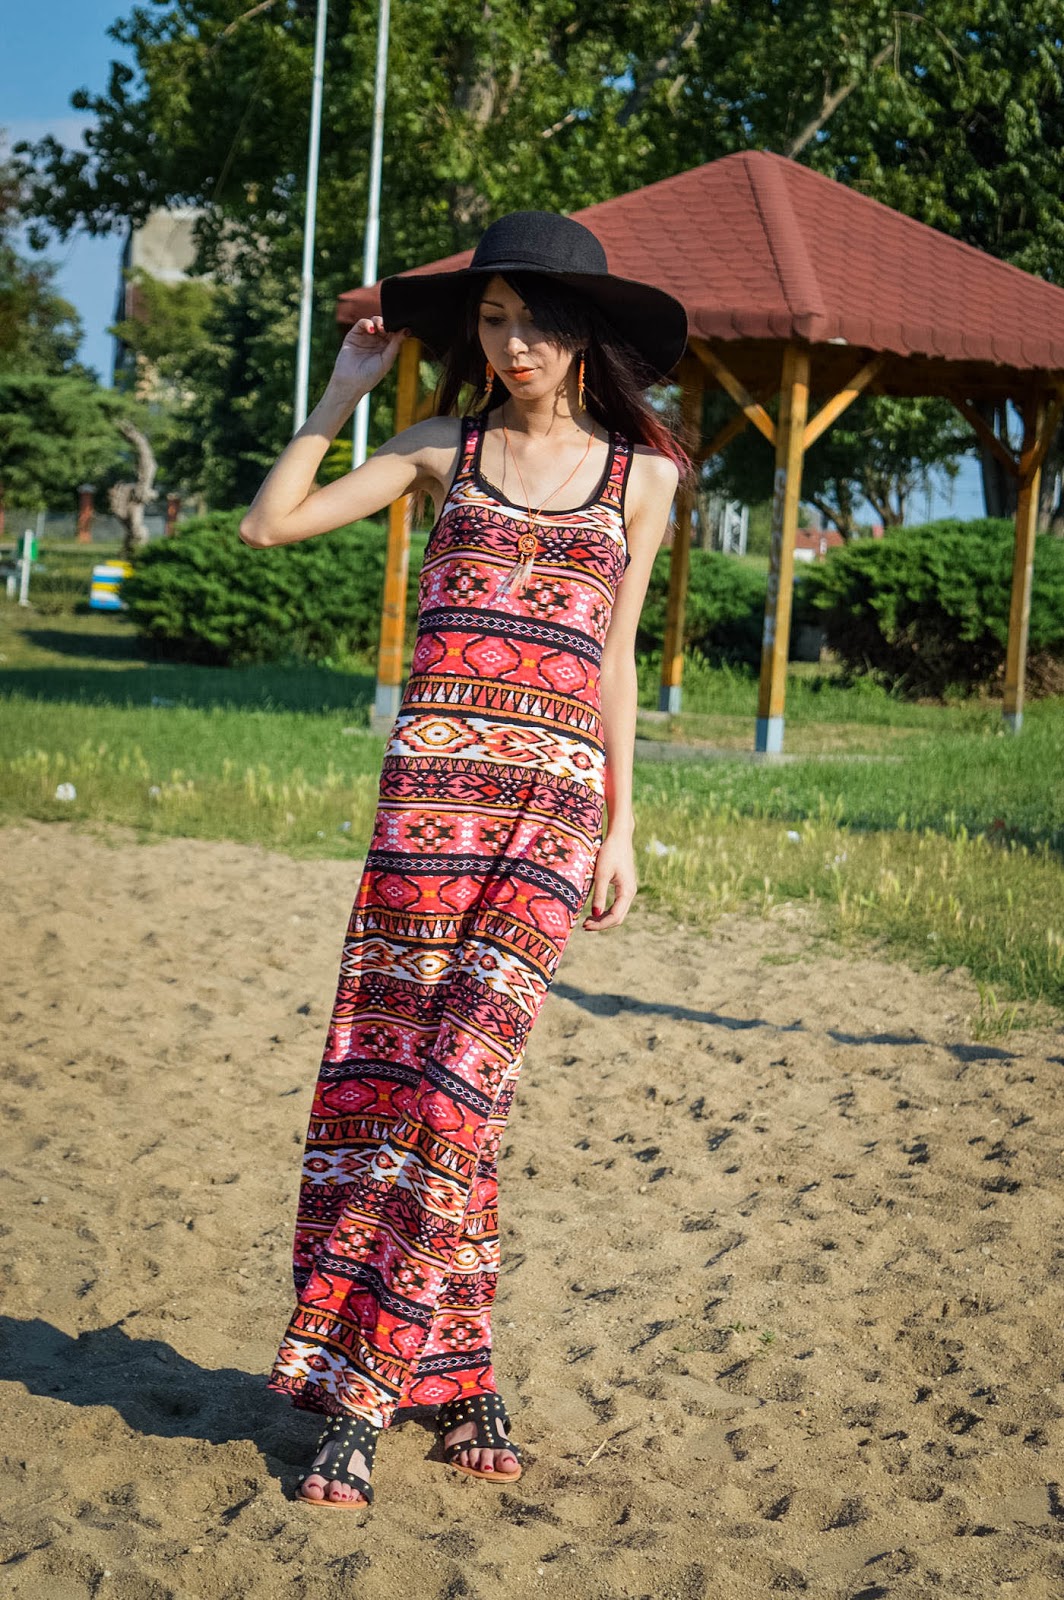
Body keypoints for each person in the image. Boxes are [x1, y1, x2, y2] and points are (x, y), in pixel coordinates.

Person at [240, 210, 688, 1508]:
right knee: (402, 1092)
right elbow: (271, 525)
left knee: (461, 1098)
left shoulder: (643, 479)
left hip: (549, 817)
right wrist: (344, 391)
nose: (516, 342)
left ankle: (361, 1399)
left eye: (538, 320)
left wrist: (622, 826)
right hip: (428, 815)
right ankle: (467, 1375)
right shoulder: (444, 446)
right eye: (494, 319)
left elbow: (614, 663)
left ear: (586, 333)